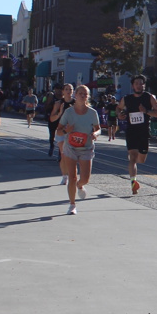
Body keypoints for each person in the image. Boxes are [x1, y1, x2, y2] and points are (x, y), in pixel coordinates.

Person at [56, 83, 101, 215]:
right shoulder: (68, 112)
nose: (82, 96)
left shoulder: (92, 113)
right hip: (70, 147)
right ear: (75, 95)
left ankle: (80, 186)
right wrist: (66, 130)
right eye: (80, 93)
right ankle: (72, 205)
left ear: (88, 97)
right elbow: (59, 131)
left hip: (86, 148)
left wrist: (95, 134)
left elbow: (98, 129)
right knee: (72, 177)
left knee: (85, 179)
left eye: (85, 94)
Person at [118, 74, 157, 193]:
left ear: (144, 85)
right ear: (133, 86)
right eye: (136, 83)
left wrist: (146, 111)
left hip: (143, 132)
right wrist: (119, 114)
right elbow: (118, 108)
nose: (139, 85)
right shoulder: (126, 98)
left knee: (141, 160)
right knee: (133, 158)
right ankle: (133, 182)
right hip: (131, 131)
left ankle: (133, 163)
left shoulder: (149, 97)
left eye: (141, 83)